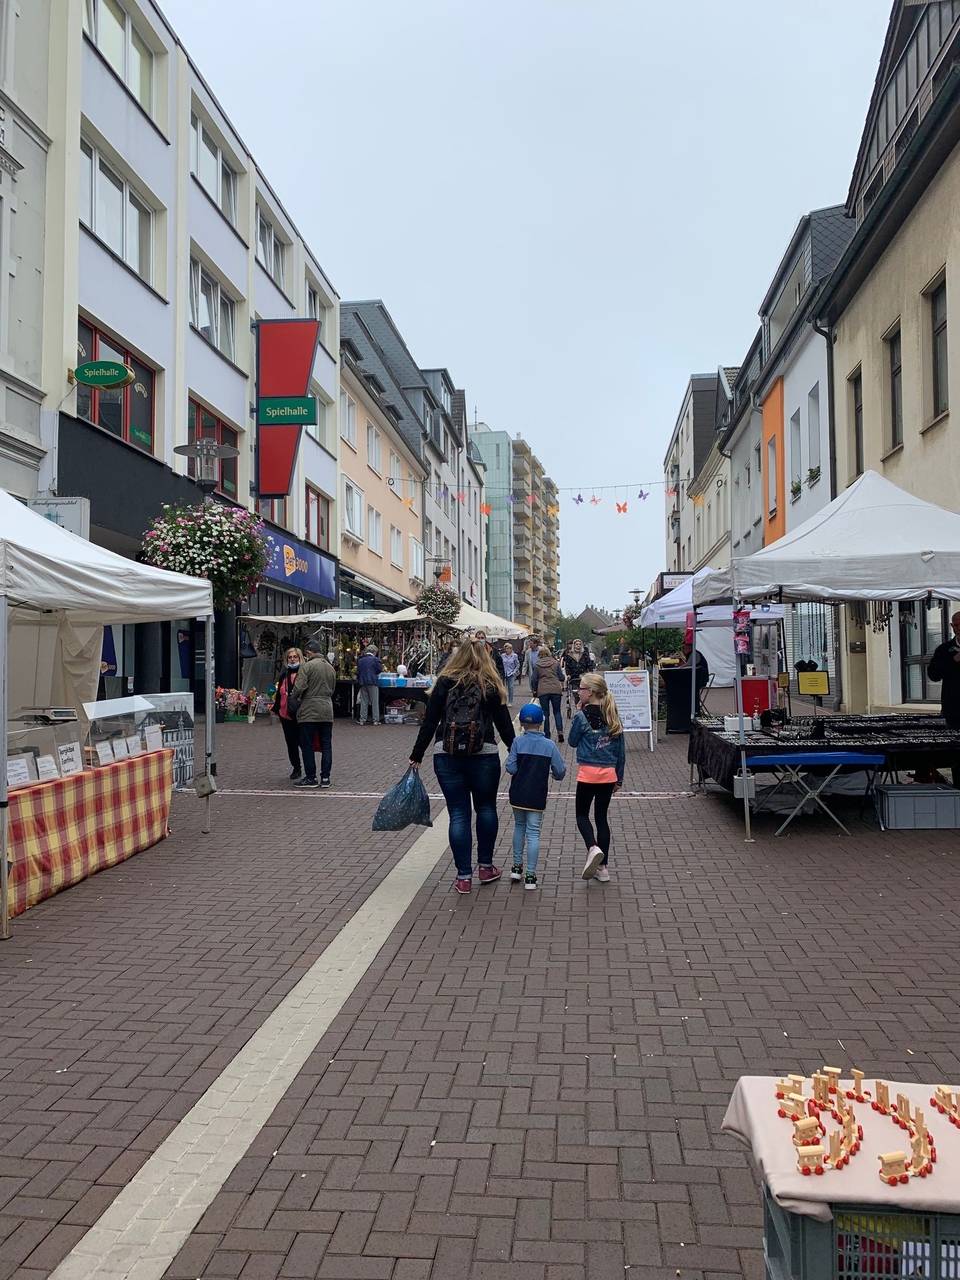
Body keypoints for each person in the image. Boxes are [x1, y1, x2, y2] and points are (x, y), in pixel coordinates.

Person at [409, 637, 515, 894]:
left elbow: (430, 722)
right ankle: (486, 867)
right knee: (486, 808)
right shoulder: (490, 684)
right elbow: (504, 724)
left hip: (446, 754)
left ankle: (463, 876)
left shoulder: (445, 682)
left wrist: (417, 754)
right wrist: (515, 751)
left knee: (458, 813)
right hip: (484, 753)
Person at [569, 672, 625, 883]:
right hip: (608, 775)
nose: (578, 691)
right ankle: (603, 869)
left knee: (581, 815)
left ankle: (592, 847)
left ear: (591, 692)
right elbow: (621, 751)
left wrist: (578, 713)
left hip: (588, 774)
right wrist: (619, 778)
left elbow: (573, 741)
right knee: (601, 818)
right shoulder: (612, 715)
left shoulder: (582, 716)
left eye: (581, 688)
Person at [505, 702, 566, 890]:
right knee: (533, 832)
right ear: (541, 722)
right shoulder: (549, 745)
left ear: (522, 723)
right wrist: (554, 775)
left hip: (518, 793)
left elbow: (510, 767)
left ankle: (516, 867)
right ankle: (530, 876)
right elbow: (560, 770)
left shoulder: (517, 742)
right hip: (537, 794)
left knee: (519, 827)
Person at [293, 639, 337, 788]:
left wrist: (294, 697)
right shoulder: (330, 668)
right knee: (326, 745)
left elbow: (299, 687)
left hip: (309, 709)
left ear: (308, 652)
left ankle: (311, 777)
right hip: (327, 709)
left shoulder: (307, 666)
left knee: (307, 745)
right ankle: (325, 778)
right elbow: (332, 689)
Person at [928, 612, 960, 785]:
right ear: (952, 627)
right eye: (957, 625)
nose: (959, 628)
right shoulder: (944, 649)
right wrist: (953, 661)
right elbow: (933, 675)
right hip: (954, 711)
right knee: (957, 753)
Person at [271, 646, 304, 779]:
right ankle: (296, 767)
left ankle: (309, 769)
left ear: (300, 658)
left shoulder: (303, 673)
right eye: (290, 657)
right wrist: (276, 709)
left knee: (303, 742)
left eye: (295, 657)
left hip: (300, 714)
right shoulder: (284, 675)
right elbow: (279, 694)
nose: (292, 659)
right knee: (291, 743)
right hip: (285, 714)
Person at [530, 644, 565, 742]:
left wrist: (534, 690)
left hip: (543, 691)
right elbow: (561, 677)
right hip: (556, 690)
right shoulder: (555, 663)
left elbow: (534, 679)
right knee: (557, 712)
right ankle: (560, 732)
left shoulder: (537, 665)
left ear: (539, 654)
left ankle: (547, 735)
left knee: (545, 713)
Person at [680, 638, 710, 712]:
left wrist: (679, 667)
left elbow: (688, 665)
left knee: (682, 687)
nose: (683, 650)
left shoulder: (694, 654)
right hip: (697, 679)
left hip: (700, 680)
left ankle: (690, 708)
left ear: (689, 647)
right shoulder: (693, 654)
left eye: (683, 648)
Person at [357, 645, 384, 725]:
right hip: (372, 682)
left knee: (364, 701)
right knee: (374, 701)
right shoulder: (375, 660)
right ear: (374, 652)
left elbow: (358, 671)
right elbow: (379, 669)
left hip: (363, 682)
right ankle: (375, 720)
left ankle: (362, 720)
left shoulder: (360, 660)